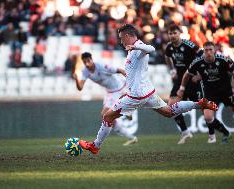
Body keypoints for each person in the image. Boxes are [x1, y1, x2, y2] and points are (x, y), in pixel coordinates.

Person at [79, 24, 218, 154]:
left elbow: (151, 49)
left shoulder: (138, 46)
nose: (121, 41)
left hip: (137, 95)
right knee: (169, 112)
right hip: (147, 92)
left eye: (122, 38)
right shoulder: (132, 50)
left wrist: (137, 48)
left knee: (107, 116)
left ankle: (95, 146)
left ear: (128, 36)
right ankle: (199, 104)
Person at [177, 41, 234, 144]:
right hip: (210, 93)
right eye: (206, 50)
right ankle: (221, 134)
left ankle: (215, 136)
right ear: (203, 51)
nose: (208, 52)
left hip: (226, 91)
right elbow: (187, 75)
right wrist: (182, 88)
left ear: (214, 50)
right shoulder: (197, 62)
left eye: (210, 50)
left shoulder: (223, 60)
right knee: (207, 117)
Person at [73, 52, 139, 146]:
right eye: (85, 62)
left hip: (117, 88)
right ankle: (131, 137)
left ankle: (125, 111)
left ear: (92, 59)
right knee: (106, 117)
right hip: (109, 92)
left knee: (105, 115)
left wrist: (130, 82)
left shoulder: (101, 66)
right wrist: (76, 79)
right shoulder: (85, 71)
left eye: (88, 61)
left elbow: (120, 70)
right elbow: (80, 88)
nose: (87, 64)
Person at [165, 24, 203, 144]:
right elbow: (167, 57)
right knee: (170, 107)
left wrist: (199, 74)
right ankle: (185, 132)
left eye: (174, 33)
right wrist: (172, 70)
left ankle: (215, 132)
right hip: (179, 80)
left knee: (203, 107)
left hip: (192, 80)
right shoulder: (169, 47)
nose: (172, 36)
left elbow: (202, 55)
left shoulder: (189, 45)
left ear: (179, 33)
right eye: (170, 33)